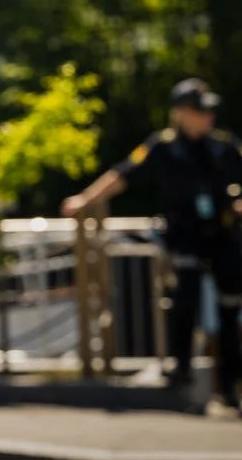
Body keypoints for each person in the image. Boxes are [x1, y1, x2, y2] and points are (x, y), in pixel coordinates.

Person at [64, 78, 242, 405]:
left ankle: (230, 387)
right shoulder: (163, 147)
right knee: (184, 303)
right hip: (184, 238)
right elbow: (123, 175)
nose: (207, 117)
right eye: (199, 111)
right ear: (180, 113)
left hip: (224, 238)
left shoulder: (225, 147)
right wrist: (85, 199)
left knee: (230, 310)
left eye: (208, 111)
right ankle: (181, 371)